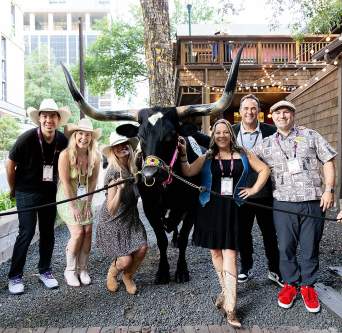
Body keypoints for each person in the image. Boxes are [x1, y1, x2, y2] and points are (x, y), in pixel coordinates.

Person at [178, 118, 270, 328]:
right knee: (216, 253)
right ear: (213, 135)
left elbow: (264, 170)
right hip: (210, 208)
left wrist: (254, 190)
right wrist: (183, 155)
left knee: (231, 253)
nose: (221, 136)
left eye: (225, 132)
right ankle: (226, 292)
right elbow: (189, 172)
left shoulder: (244, 154)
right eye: (217, 132)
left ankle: (231, 307)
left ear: (231, 134)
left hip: (234, 209)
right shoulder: (208, 156)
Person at [254, 100, 336, 313]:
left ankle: (308, 286)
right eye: (278, 113)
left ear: (293, 115)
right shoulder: (266, 144)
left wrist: (329, 189)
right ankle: (290, 284)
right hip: (283, 204)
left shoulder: (310, 135)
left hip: (312, 201)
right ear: (271, 117)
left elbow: (328, 160)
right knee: (286, 246)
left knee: (310, 246)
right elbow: (247, 160)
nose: (282, 116)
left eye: (286, 112)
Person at [6, 98, 70, 294]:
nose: (48, 120)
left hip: (49, 192)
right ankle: (15, 276)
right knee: (26, 232)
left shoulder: (62, 139)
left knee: (48, 232)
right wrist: (13, 188)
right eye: (45, 116)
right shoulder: (26, 138)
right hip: (26, 192)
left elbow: (68, 161)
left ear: (58, 120)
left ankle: (45, 271)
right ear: (39, 119)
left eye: (52, 116)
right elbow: (10, 163)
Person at [232, 94, 282, 286]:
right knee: (242, 233)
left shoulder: (271, 131)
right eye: (246, 108)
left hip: (265, 192)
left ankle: (274, 269)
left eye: (253, 108)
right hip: (240, 193)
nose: (249, 112)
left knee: (269, 232)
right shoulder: (232, 131)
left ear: (258, 111)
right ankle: (246, 267)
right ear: (240, 111)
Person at [96, 131, 148, 295]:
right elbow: (111, 209)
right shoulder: (113, 173)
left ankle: (128, 276)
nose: (122, 147)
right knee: (125, 260)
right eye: (117, 145)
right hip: (114, 222)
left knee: (142, 248)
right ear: (112, 151)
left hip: (130, 218)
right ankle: (112, 273)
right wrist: (118, 190)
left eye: (124, 143)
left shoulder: (133, 166)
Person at [57, 118, 101, 287]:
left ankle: (83, 269)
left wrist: (89, 203)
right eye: (80, 134)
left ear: (92, 137)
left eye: (87, 135)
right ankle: (69, 270)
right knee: (78, 233)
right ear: (75, 136)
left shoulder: (95, 156)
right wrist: (74, 206)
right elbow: (66, 183)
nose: (84, 137)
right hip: (67, 197)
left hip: (85, 198)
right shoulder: (65, 155)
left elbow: (93, 181)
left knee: (88, 230)